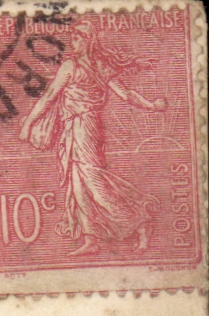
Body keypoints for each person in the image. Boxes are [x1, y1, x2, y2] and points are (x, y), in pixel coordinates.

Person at [18, 21, 168, 255]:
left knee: (94, 182)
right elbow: (51, 97)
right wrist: (152, 105)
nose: (73, 42)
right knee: (78, 184)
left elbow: (50, 97)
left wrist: (152, 106)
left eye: (77, 38)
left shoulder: (79, 67)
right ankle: (91, 238)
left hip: (85, 128)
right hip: (75, 128)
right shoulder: (91, 66)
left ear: (88, 40)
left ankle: (139, 222)